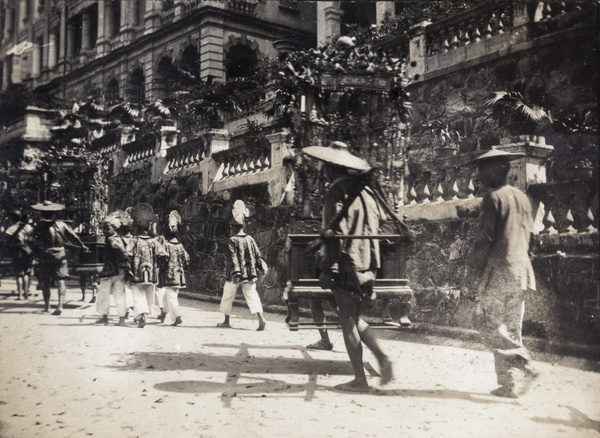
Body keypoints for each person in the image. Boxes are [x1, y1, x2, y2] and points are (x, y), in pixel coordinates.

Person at [303, 141, 393, 392]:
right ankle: (382, 358)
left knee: (346, 320)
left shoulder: (337, 191)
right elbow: (383, 219)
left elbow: (336, 234)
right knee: (355, 316)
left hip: (347, 263)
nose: (323, 170)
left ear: (332, 167)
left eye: (325, 166)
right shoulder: (366, 191)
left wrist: (328, 268)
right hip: (369, 262)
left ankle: (360, 380)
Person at [463, 148, 540, 399]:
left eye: (483, 170)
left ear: (497, 170)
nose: (479, 175)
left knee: (486, 322)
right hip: (522, 272)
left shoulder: (493, 198)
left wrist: (472, 272)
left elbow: (483, 240)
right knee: (511, 327)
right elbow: (533, 238)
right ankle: (509, 385)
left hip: (500, 272)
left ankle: (523, 360)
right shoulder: (523, 198)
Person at [31, 201, 88, 314]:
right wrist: (82, 245)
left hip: (46, 254)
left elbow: (31, 238)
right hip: (60, 253)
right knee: (61, 280)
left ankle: (47, 308)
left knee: (46, 281)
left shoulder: (40, 225)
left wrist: (36, 249)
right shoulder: (62, 224)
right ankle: (60, 306)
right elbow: (74, 236)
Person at [217, 200, 267, 331]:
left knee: (228, 295)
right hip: (249, 273)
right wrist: (261, 268)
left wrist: (237, 273)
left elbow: (233, 258)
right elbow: (257, 255)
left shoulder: (232, 240)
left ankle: (226, 321)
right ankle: (261, 318)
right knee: (252, 294)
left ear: (233, 227)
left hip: (234, 274)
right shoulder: (250, 239)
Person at [128, 204, 167, 328]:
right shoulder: (153, 242)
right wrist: (158, 267)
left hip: (137, 273)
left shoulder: (134, 241)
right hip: (151, 274)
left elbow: (127, 254)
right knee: (149, 293)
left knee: (137, 293)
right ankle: (146, 313)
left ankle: (141, 315)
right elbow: (164, 254)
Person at [95, 211, 132, 326]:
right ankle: (121, 319)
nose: (105, 231)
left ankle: (104, 317)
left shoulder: (111, 239)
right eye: (104, 229)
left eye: (107, 229)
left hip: (110, 271)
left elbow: (121, 251)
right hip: (119, 271)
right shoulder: (117, 238)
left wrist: (124, 256)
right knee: (119, 294)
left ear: (114, 228)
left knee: (103, 294)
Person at [158, 211, 190, 326]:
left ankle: (177, 316)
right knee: (170, 295)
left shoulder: (166, 246)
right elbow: (187, 258)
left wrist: (161, 269)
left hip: (169, 274)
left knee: (171, 295)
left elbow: (162, 259)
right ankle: (164, 313)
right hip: (178, 274)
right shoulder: (180, 246)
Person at [4, 210, 35, 300]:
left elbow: (8, 242)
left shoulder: (10, 228)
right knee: (26, 273)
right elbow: (32, 238)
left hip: (17, 252)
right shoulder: (27, 227)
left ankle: (20, 295)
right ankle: (26, 293)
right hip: (27, 251)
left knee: (19, 274)